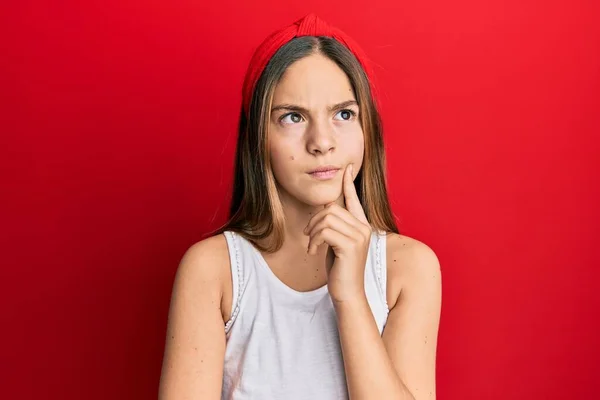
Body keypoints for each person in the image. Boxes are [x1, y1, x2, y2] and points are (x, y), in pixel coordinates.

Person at [158, 13, 442, 400]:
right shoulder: (214, 270)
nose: (322, 141)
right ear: (259, 137)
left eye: (344, 114)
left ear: (366, 130)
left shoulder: (409, 268)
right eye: (293, 117)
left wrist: (350, 299)